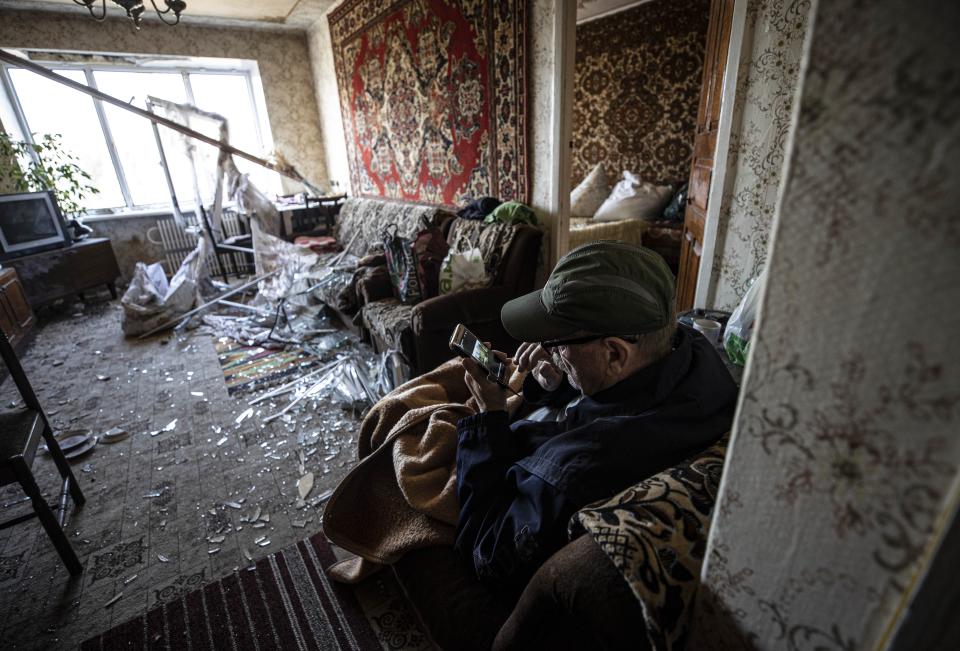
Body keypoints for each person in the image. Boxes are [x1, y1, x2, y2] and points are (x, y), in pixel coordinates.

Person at [455, 240, 738, 598]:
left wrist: (489, 417)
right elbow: (617, 392)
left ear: (615, 353)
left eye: (560, 341)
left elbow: (486, 554)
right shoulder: (694, 350)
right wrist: (561, 383)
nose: (550, 348)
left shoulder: (574, 471)